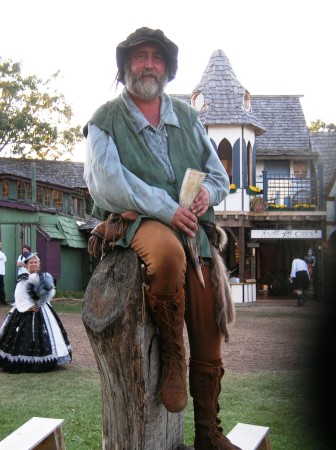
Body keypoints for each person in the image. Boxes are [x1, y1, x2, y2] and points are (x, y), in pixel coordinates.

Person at [84, 27, 240, 450]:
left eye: (156, 57)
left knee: (209, 314)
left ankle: (209, 432)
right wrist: (165, 207)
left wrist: (210, 192)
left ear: (168, 69)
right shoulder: (104, 120)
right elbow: (107, 183)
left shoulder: (187, 118)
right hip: (140, 223)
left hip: (193, 228)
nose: (148, 63)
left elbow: (220, 174)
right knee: (168, 254)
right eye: (139, 57)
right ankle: (174, 355)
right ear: (126, 67)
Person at [0, 252, 72, 373]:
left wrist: (44, 298)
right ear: (26, 265)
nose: (33, 264)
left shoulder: (42, 276)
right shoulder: (24, 277)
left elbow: (48, 292)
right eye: (31, 262)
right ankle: (26, 362)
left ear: (39, 264)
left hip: (42, 309)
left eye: (36, 262)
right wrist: (28, 306)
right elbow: (18, 294)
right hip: (27, 310)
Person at [0, 241, 8, 305]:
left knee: (1, 287)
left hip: (1, 272)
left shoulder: (2, 253)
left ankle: (3, 301)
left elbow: (5, 259)